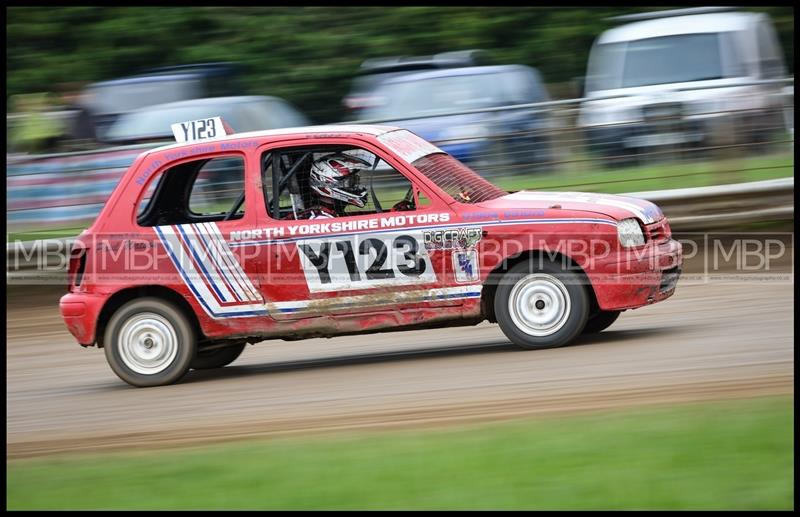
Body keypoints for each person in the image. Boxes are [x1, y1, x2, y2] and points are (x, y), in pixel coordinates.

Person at [294, 152, 371, 219]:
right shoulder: (322, 218)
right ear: (330, 183)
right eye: (351, 182)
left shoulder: (331, 212)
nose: (355, 187)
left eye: (356, 180)